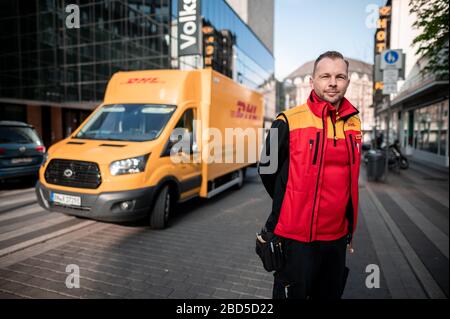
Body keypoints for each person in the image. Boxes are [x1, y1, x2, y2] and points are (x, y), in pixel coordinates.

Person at [257, 51, 362, 299]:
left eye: (340, 76)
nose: (333, 82)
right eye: (325, 76)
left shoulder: (354, 123)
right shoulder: (285, 120)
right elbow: (266, 168)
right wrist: (291, 201)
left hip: (336, 237)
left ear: (347, 81)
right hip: (295, 238)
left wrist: (348, 228)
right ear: (312, 81)